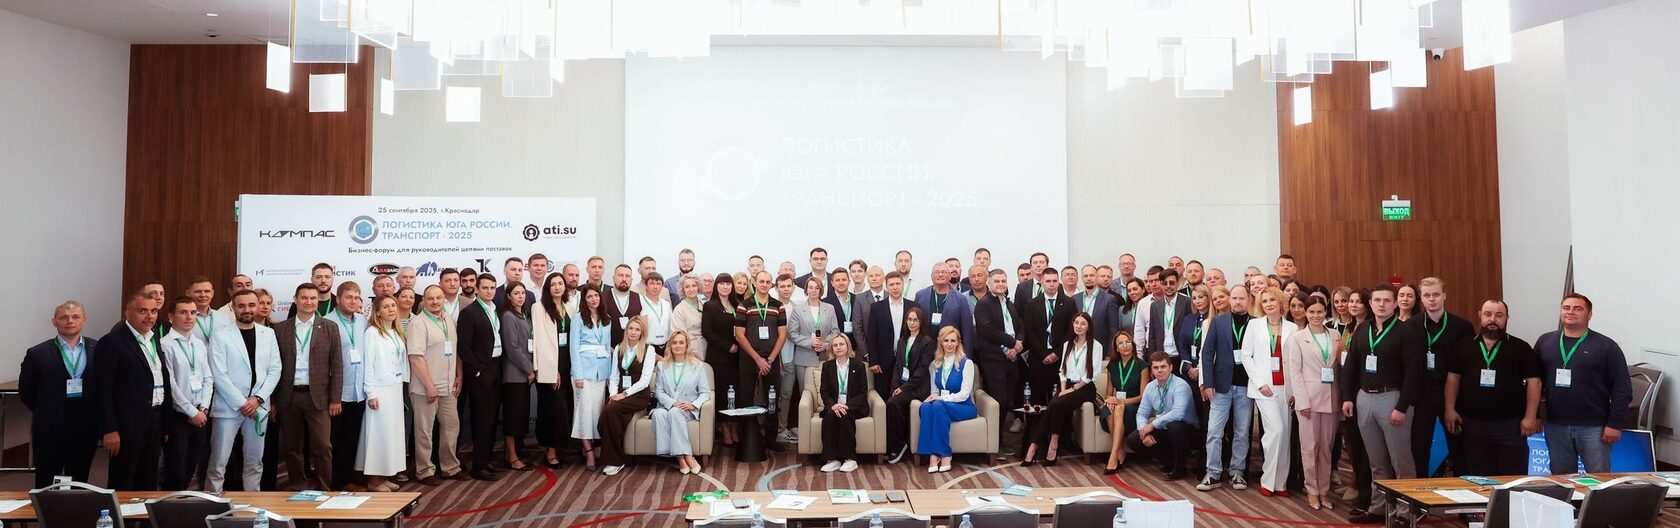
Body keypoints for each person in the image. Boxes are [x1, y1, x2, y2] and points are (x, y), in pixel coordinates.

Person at [1339, 285, 1425, 524]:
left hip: (1393, 399)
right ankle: (1378, 508)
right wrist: (1347, 396)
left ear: (1395, 304)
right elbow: (1351, 365)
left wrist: (1402, 406)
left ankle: (1407, 513)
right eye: (1377, 300)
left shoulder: (1406, 332)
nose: (1382, 304)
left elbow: (1414, 373)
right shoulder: (1362, 329)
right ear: (1371, 303)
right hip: (1364, 398)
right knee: (1376, 461)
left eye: (1387, 300)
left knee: (1401, 461)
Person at [1444, 300, 1542, 477]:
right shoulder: (1464, 345)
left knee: (1511, 478)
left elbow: (1534, 382)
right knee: (1476, 478)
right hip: (1473, 425)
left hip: (1510, 427)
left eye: (1499, 315)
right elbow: (1453, 378)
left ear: (1507, 318)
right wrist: (1450, 409)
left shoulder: (1520, 347)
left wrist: (1530, 417)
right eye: (1488, 314)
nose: (1493, 319)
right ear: (1480, 316)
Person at [1535, 293, 1630, 475]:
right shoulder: (1545, 341)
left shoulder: (1606, 346)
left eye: (1578, 308)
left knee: (1599, 480)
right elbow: (1535, 383)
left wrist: (1614, 424)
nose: (1571, 312)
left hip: (1594, 427)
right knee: (1562, 480)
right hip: (1556, 425)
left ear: (1589, 315)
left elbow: (1622, 388)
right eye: (1566, 308)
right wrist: (1536, 415)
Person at [204, 290, 281, 492]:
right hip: (228, 408)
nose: (247, 310)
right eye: (242, 306)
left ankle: (252, 503)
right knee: (218, 463)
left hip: (258, 407)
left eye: (251, 305)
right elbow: (219, 374)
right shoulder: (220, 335)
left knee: (255, 463)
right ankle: (213, 504)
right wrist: (243, 403)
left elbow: (275, 370)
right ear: (233, 307)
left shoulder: (268, 334)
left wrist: (257, 399)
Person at [90, 293, 167, 490]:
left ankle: (143, 511)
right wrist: (110, 429)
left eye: (153, 311)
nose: (149, 316)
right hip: (126, 425)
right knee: (124, 480)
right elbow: (102, 389)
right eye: (142, 311)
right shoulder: (112, 342)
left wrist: (164, 423)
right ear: (127, 313)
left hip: (153, 418)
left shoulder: (153, 339)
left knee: (148, 479)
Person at [20, 301, 100, 488]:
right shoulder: (37, 353)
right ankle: (45, 508)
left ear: (84, 320)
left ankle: (76, 506)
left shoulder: (98, 349)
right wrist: (46, 410)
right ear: (54, 321)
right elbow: (26, 390)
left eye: (75, 317)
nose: (70, 321)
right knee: (46, 479)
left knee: (80, 478)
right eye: (64, 317)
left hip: (86, 427)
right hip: (49, 428)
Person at [273, 284, 344, 491]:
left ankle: (324, 488)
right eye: (304, 298)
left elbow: (337, 365)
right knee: (292, 447)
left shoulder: (329, 327)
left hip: (319, 397)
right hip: (289, 397)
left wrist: (335, 398)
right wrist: (273, 400)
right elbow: (273, 367)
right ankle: (298, 485)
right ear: (296, 300)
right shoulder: (280, 329)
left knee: (322, 446)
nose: (309, 302)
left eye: (313, 298)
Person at [1407, 277, 1473, 477]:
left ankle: (1462, 491)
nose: (1432, 299)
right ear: (1421, 298)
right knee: (1419, 447)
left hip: (1453, 395)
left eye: (1436, 294)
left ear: (1444, 295)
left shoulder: (1462, 326)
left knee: (1459, 447)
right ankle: (1419, 491)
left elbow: (1469, 363)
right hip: (1422, 395)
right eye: (1427, 295)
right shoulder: (1411, 325)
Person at [1285, 296, 1342, 510]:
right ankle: (1312, 490)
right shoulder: (1298, 338)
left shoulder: (1335, 335)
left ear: (1326, 312)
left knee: (1326, 447)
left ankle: (1324, 490)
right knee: (1310, 447)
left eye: (1320, 312)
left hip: (1332, 398)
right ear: (1306, 313)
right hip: (1308, 399)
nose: (1316, 316)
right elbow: (1294, 372)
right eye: (1311, 312)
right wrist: (1302, 401)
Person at [1023, 312, 1102, 466]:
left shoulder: (1096, 346)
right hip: (1067, 386)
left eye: (1083, 323)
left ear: (1089, 327)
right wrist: (1063, 389)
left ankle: (1033, 447)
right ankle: (1052, 445)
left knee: (1054, 404)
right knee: (1055, 405)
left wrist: (1070, 391)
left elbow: (1090, 374)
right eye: (1076, 323)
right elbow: (1063, 371)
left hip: (1085, 388)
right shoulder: (1068, 344)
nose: (1079, 326)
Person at [1243, 287, 1299, 497]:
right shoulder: (1254, 325)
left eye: (1272, 300)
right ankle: (1268, 480)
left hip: (1286, 387)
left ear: (1280, 302)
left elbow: (1295, 359)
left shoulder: (1293, 327)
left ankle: (1280, 484)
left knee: (1285, 434)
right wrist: (1259, 383)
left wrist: (1295, 389)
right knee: (1275, 431)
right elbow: (1246, 356)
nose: (1268, 304)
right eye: (1265, 301)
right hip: (1263, 388)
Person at [1198, 284, 1253, 492]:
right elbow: (1206, 353)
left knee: (1242, 432)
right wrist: (1208, 382)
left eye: (1242, 298)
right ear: (1230, 300)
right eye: (1235, 298)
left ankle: (1237, 472)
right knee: (1214, 431)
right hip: (1221, 386)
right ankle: (1212, 474)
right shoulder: (1218, 322)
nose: (1238, 302)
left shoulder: (1256, 324)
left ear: (1249, 300)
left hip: (1246, 386)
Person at [408, 285, 465, 485]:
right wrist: (429, 386)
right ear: (423, 301)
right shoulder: (418, 323)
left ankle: (450, 467)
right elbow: (415, 358)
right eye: (430, 298)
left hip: (448, 386)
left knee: (451, 427)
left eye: (438, 298)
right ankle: (425, 471)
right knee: (424, 431)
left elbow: (455, 350)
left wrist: (459, 375)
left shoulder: (448, 320)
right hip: (425, 388)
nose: (435, 302)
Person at [161, 296, 216, 490]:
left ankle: (182, 505)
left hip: (200, 414)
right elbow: (170, 385)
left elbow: (208, 378)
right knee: (175, 471)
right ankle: (168, 507)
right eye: (183, 312)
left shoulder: (198, 344)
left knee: (189, 469)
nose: (189, 317)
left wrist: (204, 408)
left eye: (193, 313)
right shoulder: (165, 344)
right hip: (179, 417)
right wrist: (192, 412)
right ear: (171, 316)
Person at [356, 295, 409, 492]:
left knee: (391, 435)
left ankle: (384, 475)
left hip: (395, 388)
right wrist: (371, 393)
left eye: (393, 305)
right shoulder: (372, 333)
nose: (391, 309)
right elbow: (368, 364)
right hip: (379, 390)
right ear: (377, 311)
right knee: (378, 435)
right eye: (386, 307)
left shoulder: (395, 331)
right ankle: (374, 480)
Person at [457, 273, 505, 481]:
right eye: (485, 287)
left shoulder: (496, 309)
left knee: (492, 418)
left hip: (496, 367)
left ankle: (486, 461)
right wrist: (477, 369)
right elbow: (464, 346)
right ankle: (478, 466)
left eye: (493, 287)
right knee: (481, 419)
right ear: (476, 289)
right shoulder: (469, 312)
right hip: (481, 371)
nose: (490, 291)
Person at [734, 271, 788, 450]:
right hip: (749, 359)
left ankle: (771, 439)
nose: (764, 284)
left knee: (772, 399)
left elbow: (782, 335)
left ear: (771, 284)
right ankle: (748, 439)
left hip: (771, 360)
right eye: (761, 281)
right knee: (746, 399)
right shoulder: (744, 305)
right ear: (754, 283)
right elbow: (739, 335)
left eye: (767, 282)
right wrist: (758, 359)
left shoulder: (778, 306)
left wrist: (770, 360)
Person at [597, 316, 657, 476]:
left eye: (637, 329)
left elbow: (645, 381)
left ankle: (614, 461)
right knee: (607, 415)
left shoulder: (649, 349)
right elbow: (614, 376)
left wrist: (624, 394)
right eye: (631, 328)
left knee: (609, 411)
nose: (633, 332)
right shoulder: (619, 348)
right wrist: (613, 395)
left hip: (639, 395)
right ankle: (620, 456)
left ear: (642, 333)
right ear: (626, 330)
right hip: (620, 393)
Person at [1126, 352, 1199, 480]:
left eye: (1163, 366)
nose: (1160, 370)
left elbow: (1178, 414)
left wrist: (1152, 425)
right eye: (1156, 367)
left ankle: (1180, 468)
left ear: (1170, 368)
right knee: (1134, 440)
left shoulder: (1180, 385)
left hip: (1187, 429)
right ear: (1152, 370)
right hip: (1164, 427)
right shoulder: (1150, 387)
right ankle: (1168, 460)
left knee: (1174, 427)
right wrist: (1144, 431)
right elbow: (1142, 413)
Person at [804, 333, 870, 473]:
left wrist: (847, 405)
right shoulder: (827, 366)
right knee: (829, 416)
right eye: (835, 345)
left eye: (841, 344)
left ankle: (850, 459)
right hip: (833, 405)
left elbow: (862, 392)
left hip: (852, 406)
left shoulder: (858, 366)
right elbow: (824, 391)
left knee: (845, 415)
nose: (838, 347)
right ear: (832, 349)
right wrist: (833, 405)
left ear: (848, 346)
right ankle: (832, 459)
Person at [916, 327, 978, 473]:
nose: (949, 344)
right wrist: (931, 398)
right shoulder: (935, 364)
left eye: (953, 341)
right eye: (946, 340)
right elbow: (934, 391)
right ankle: (931, 454)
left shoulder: (966, 363)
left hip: (964, 407)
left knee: (939, 405)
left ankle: (944, 453)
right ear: (941, 343)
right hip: (943, 405)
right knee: (925, 407)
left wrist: (941, 398)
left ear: (958, 343)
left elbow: (964, 394)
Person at [973, 269, 1023, 447]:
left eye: (1003, 281)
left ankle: (999, 440)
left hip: (1012, 358)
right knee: (999, 400)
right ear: (989, 283)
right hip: (994, 359)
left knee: (1007, 400)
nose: (1001, 284)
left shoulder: (1009, 304)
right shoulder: (983, 305)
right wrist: (1012, 342)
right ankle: (994, 442)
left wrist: (1018, 345)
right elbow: (988, 330)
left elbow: (1020, 326)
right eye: (997, 281)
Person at [327, 282, 368, 491]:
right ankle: (332, 481)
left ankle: (346, 478)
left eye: (356, 298)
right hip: (337, 393)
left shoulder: (362, 321)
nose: (353, 301)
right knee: (333, 439)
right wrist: (332, 396)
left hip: (358, 392)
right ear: (338, 299)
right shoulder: (327, 322)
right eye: (348, 297)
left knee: (351, 438)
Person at [788, 276, 840, 441]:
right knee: (806, 394)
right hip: (804, 358)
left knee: (826, 392)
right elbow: (792, 334)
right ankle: (806, 431)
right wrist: (810, 343)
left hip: (825, 357)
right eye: (810, 287)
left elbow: (835, 331)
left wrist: (826, 344)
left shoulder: (829, 308)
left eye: (817, 288)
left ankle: (824, 427)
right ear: (806, 290)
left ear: (821, 290)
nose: (813, 290)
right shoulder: (798, 309)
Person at [652, 331, 710, 475]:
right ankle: (685, 457)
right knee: (658, 414)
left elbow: (705, 392)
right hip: (666, 407)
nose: (678, 346)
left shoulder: (698, 365)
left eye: (681, 342)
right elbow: (658, 391)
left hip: (687, 409)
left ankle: (683, 457)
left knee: (675, 412)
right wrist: (672, 403)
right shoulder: (662, 366)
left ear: (687, 345)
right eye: (674, 343)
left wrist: (694, 405)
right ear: (670, 346)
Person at [532, 274, 574, 469]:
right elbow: (540, 341)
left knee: (565, 409)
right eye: (553, 284)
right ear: (547, 288)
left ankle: (559, 448)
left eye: (560, 284)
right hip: (550, 367)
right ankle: (550, 452)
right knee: (553, 410)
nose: (557, 287)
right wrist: (552, 369)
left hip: (568, 364)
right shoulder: (539, 308)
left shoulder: (570, 306)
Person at [884, 307, 936, 463]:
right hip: (903, 385)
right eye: (909, 319)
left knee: (892, 403)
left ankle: (898, 445)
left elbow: (921, 371)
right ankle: (897, 444)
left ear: (921, 322)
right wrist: (894, 387)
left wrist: (903, 388)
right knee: (891, 401)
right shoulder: (902, 341)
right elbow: (898, 367)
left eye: (915, 320)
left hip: (917, 388)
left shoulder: (927, 342)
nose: (912, 323)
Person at [570, 287, 613, 471]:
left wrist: (609, 375)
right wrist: (578, 375)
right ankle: (588, 452)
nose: (593, 299)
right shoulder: (578, 319)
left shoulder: (607, 319)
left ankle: (593, 447)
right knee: (584, 413)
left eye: (596, 296)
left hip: (601, 373)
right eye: (589, 296)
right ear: (584, 299)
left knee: (596, 413)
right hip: (583, 373)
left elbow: (607, 347)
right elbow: (573, 348)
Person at [1024, 268, 1075, 409]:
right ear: (1041, 282)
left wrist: (1057, 353)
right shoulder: (1032, 304)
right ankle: (1038, 424)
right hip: (1039, 358)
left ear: (1058, 282)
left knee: (1059, 398)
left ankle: (1058, 424)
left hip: (1061, 357)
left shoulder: (1069, 303)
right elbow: (1030, 332)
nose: (1051, 284)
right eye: (1048, 281)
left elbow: (1071, 331)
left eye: (1054, 281)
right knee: (1038, 398)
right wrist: (1043, 354)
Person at [499, 282, 536, 471]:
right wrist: (529, 369)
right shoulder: (508, 316)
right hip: (514, 375)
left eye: (522, 293)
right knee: (513, 418)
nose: (521, 296)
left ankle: (513, 454)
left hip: (524, 376)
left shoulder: (525, 315)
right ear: (508, 296)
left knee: (520, 417)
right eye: (516, 293)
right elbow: (512, 348)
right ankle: (512, 458)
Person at [701, 274, 742, 446]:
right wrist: (727, 346)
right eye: (722, 284)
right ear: (716, 286)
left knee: (736, 394)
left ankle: (734, 426)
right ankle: (724, 428)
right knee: (722, 395)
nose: (725, 287)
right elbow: (707, 332)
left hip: (737, 358)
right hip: (719, 358)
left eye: (728, 284)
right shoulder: (710, 306)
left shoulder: (737, 305)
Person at [865, 272, 917, 402]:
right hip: (883, 362)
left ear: (903, 285)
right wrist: (874, 361)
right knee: (883, 397)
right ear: (886, 286)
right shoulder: (877, 307)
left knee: (902, 397)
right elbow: (871, 335)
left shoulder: (913, 306)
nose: (895, 287)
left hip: (906, 360)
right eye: (891, 284)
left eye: (898, 284)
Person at [1102, 331, 1143, 474]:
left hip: (1133, 406)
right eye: (1120, 343)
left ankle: (1113, 457)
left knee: (1119, 408)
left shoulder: (1142, 365)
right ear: (1116, 348)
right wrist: (1110, 400)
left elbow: (1143, 396)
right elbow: (1108, 393)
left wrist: (1121, 401)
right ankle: (1119, 450)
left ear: (1133, 344)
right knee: (1110, 408)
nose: (1125, 345)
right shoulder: (1112, 366)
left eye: (1127, 342)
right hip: (1116, 405)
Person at [913, 265, 975, 352]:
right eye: (937, 272)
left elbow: (967, 329)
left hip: (950, 350)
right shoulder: (921, 296)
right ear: (931, 276)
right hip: (924, 349)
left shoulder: (960, 299)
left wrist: (967, 355)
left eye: (944, 272)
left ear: (949, 276)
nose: (940, 275)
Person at [1074, 265, 1122, 349]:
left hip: (1101, 347)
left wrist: (1110, 352)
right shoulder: (1075, 299)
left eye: (1092, 275)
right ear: (1081, 278)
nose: (1089, 278)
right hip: (1078, 346)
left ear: (1097, 277)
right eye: (1085, 276)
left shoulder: (1109, 299)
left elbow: (1113, 328)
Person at [824, 268, 862, 349]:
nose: (841, 283)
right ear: (832, 283)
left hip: (856, 346)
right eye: (837, 280)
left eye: (844, 280)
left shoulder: (858, 299)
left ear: (849, 281)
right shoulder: (825, 303)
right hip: (835, 347)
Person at [605, 265, 643, 346]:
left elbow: (643, 326)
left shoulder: (639, 298)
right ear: (613, 278)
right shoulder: (602, 298)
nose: (624, 279)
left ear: (631, 279)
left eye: (627, 276)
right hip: (608, 348)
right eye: (620, 275)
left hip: (633, 349)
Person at [672, 276, 707, 360]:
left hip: (706, 348)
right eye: (687, 287)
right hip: (690, 351)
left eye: (694, 285)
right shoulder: (679, 309)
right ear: (683, 290)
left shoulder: (704, 305)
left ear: (698, 287)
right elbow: (680, 336)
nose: (691, 289)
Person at [640, 273, 674, 355]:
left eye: (658, 284)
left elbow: (671, 326)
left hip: (665, 348)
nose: (655, 287)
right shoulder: (640, 302)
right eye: (652, 283)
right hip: (646, 348)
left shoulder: (666, 304)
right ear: (645, 285)